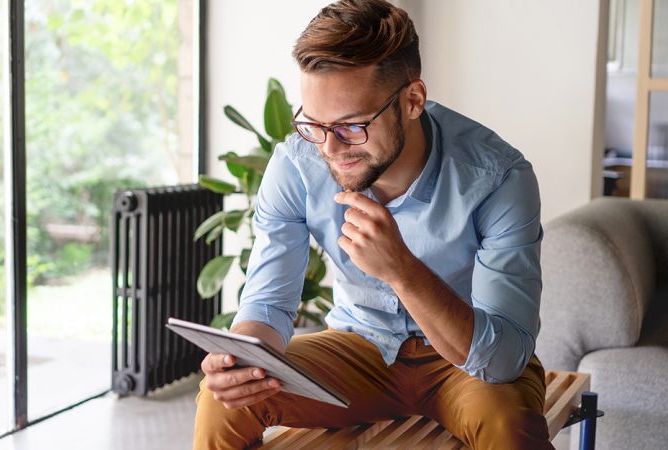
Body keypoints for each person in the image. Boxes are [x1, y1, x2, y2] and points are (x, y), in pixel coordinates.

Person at [194, 1, 551, 449]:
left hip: (464, 360)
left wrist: (401, 269)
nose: (330, 147)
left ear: (412, 100)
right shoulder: (296, 166)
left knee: (508, 427)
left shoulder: (498, 178)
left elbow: (503, 360)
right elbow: (267, 306)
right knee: (222, 399)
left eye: (352, 126)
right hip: (357, 348)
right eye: (314, 124)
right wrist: (240, 359)